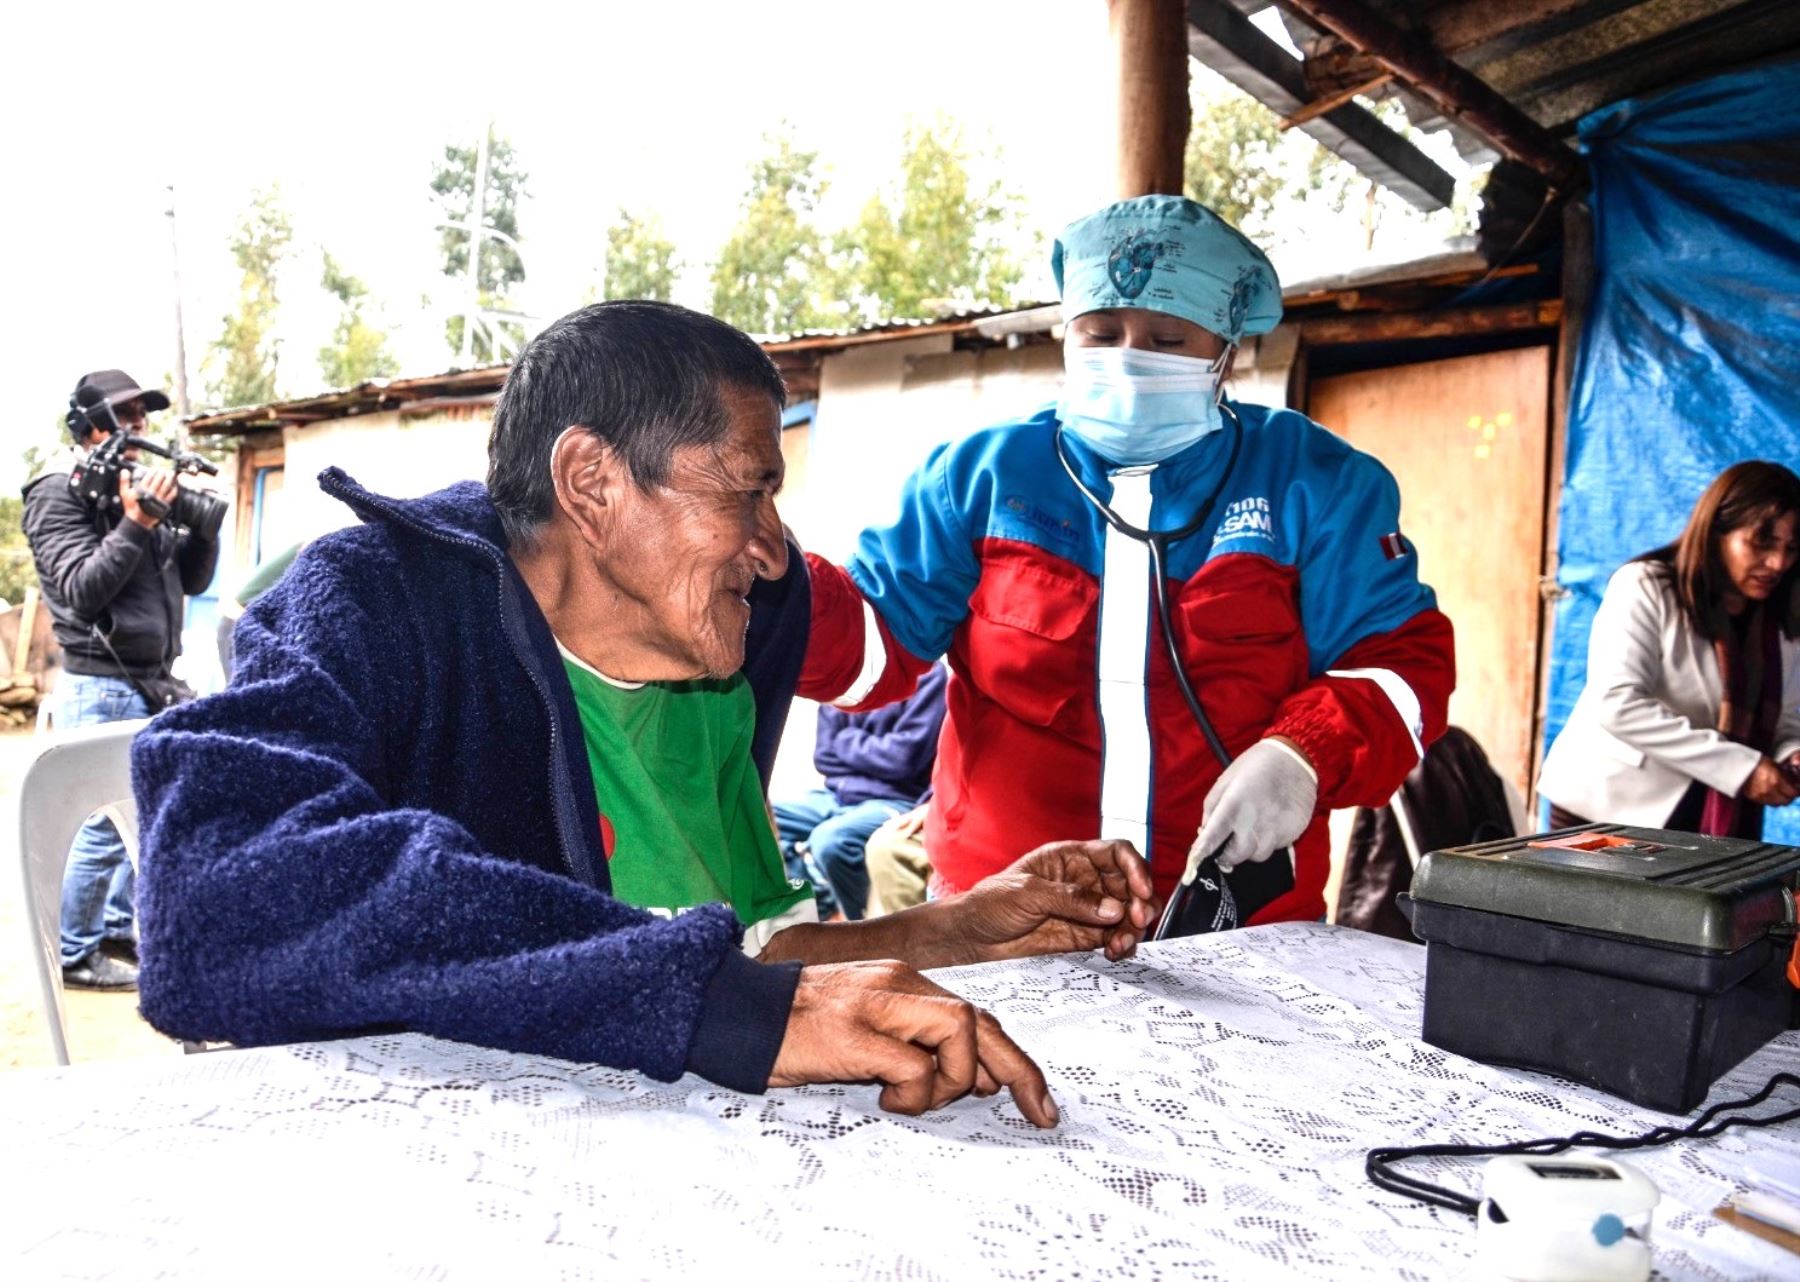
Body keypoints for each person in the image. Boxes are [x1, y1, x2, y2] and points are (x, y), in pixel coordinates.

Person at [133, 301, 1156, 1127]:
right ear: (592, 483)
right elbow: (211, 895)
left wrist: (959, 928)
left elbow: (730, 959)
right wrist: (722, 1010)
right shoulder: (375, 601)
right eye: (749, 491)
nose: (772, 547)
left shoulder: (713, 665)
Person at [799, 195, 1455, 928]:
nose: (1129, 360)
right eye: (1101, 333)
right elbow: (868, 649)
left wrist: (1305, 752)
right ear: (1067, 336)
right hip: (1002, 916)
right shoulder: (980, 479)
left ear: (1225, 352)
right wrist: (770, 590)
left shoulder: (1314, 482)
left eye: (1168, 339)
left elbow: (1403, 665)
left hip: (1230, 924)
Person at [23, 369, 219, 991]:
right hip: (101, 681)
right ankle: (74, 953)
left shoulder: (141, 483)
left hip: (153, 680)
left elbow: (190, 582)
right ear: (90, 425)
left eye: (142, 415)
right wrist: (135, 523)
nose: (137, 427)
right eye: (124, 414)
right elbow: (81, 590)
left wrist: (199, 532)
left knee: (148, 820)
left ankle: (112, 930)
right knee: (107, 829)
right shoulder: (57, 493)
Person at [1539, 461, 1800, 838]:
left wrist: (1791, 753)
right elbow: (1618, 703)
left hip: (1708, 825)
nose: (1777, 563)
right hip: (1608, 808)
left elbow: (1789, 718)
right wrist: (1741, 768)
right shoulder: (1646, 587)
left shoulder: (1780, 618)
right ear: (1716, 533)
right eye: (1762, 542)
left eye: (1791, 549)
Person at [776, 662, 946, 919]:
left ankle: (860, 926)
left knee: (831, 841)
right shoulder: (843, 671)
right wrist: (875, 752)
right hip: (835, 795)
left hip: (896, 798)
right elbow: (823, 755)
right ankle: (822, 899)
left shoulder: (928, 674)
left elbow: (904, 759)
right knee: (758, 818)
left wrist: (844, 740)